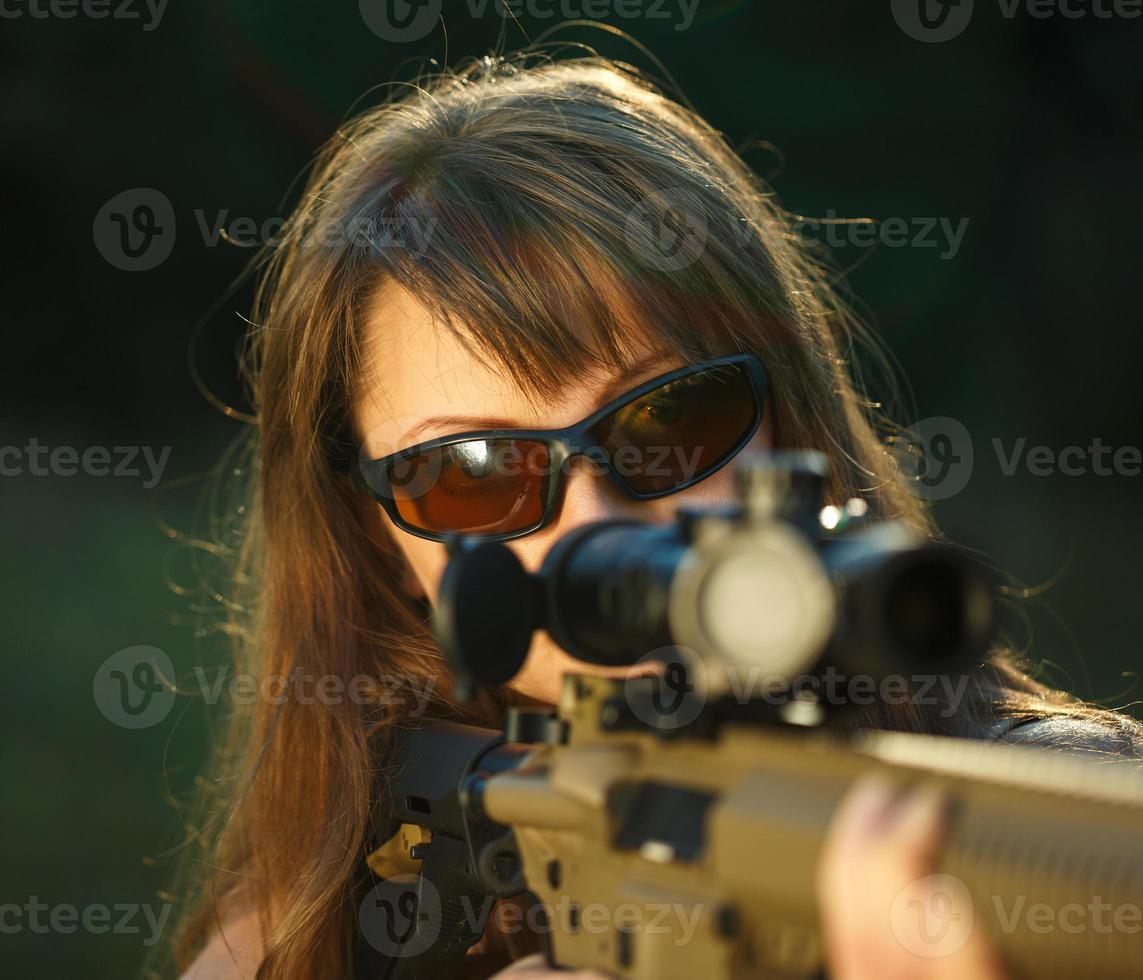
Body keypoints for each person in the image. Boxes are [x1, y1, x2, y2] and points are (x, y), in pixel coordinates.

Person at [173, 52, 1141, 980]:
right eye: (471, 473)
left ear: (785, 427)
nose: (596, 521)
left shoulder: (1064, 812)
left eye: (669, 417)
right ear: (379, 543)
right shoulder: (303, 926)